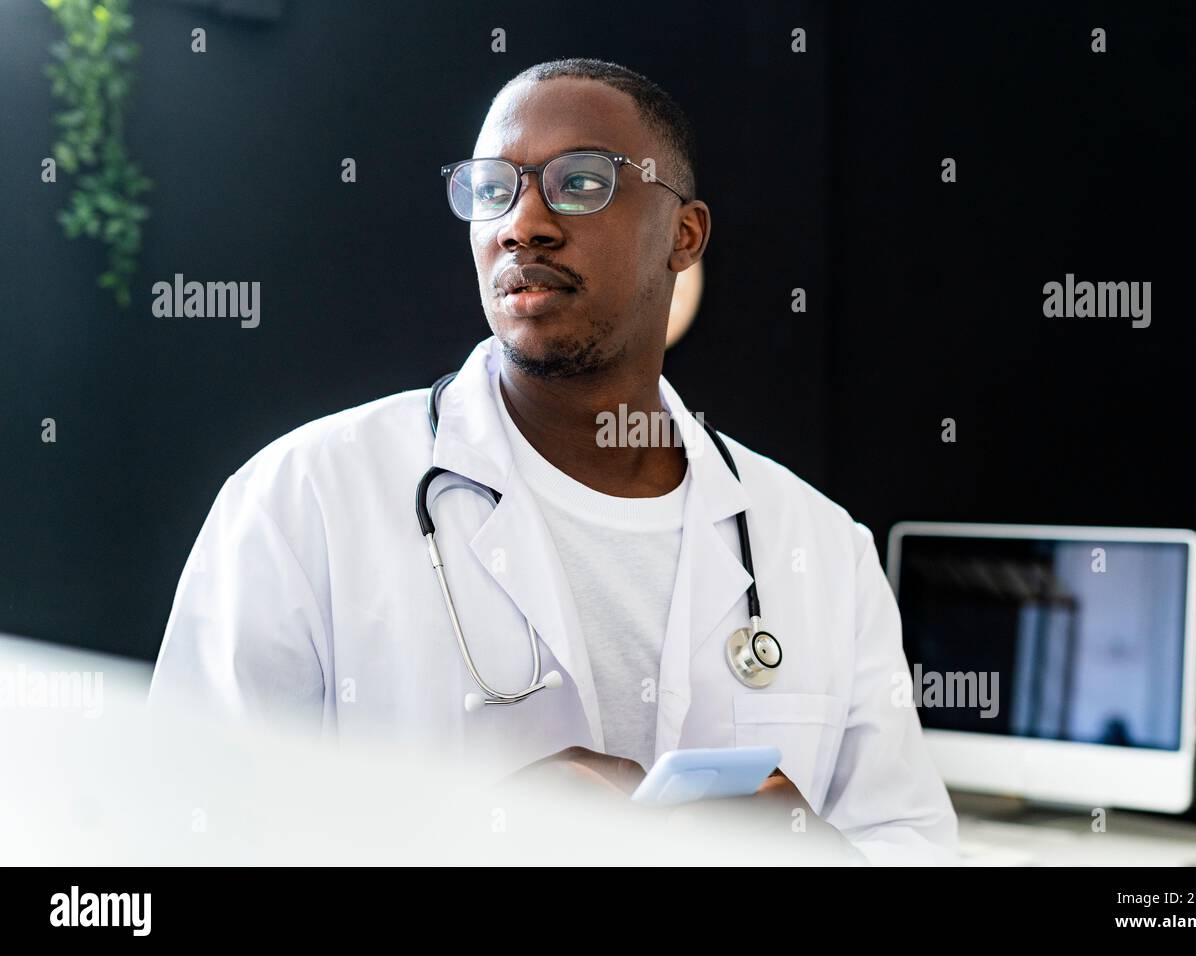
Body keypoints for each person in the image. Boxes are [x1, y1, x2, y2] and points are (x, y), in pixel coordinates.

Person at [150, 58, 958, 865]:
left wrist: (806, 850)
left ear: (685, 236)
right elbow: (181, 834)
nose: (523, 223)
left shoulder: (819, 548)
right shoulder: (302, 500)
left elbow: (908, 841)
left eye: (580, 183)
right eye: (494, 188)